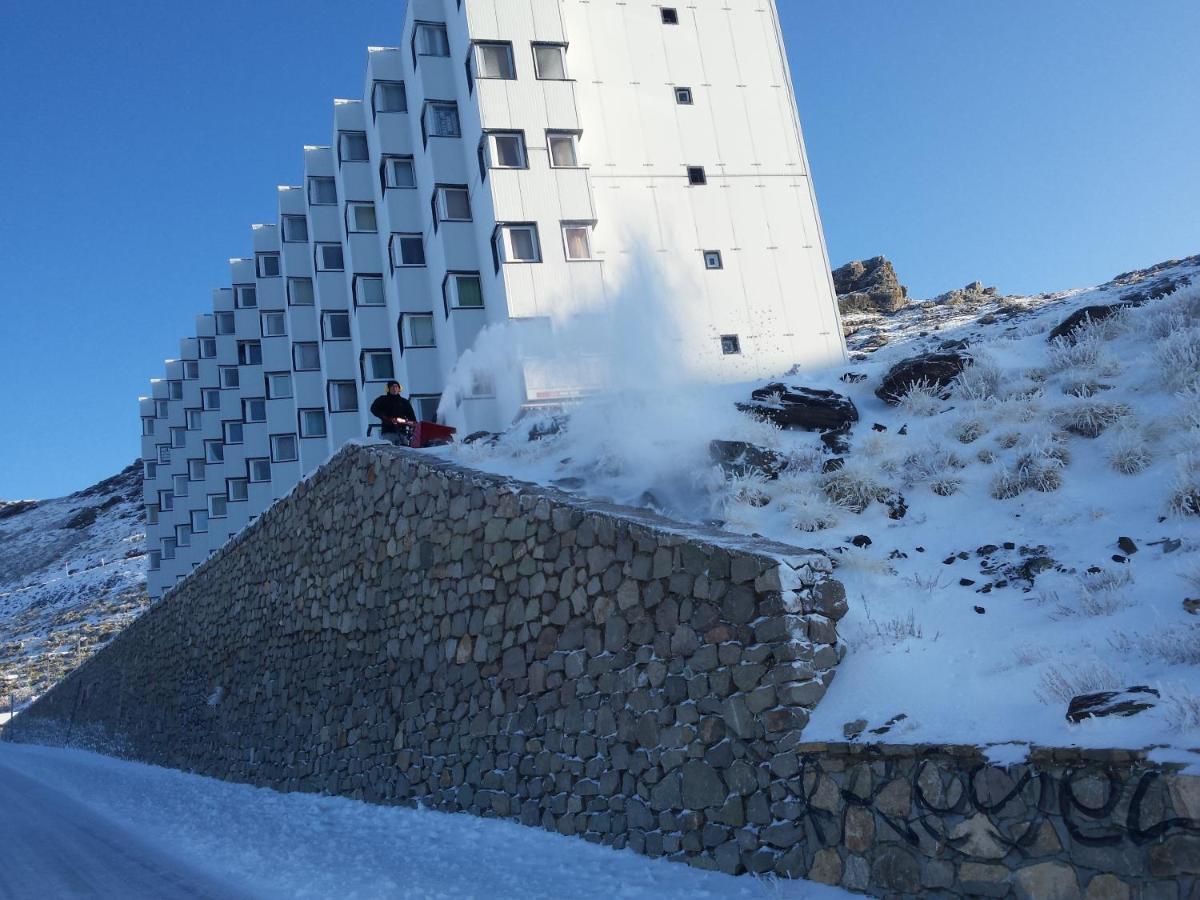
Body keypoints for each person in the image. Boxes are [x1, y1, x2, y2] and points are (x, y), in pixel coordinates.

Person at [370, 381, 417, 445]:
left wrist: (413, 426)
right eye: (392, 387)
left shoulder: (404, 402)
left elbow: (411, 416)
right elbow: (373, 408)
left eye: (396, 387)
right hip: (388, 432)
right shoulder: (382, 399)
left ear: (399, 389)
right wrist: (384, 417)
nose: (394, 389)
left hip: (403, 432)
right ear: (388, 389)